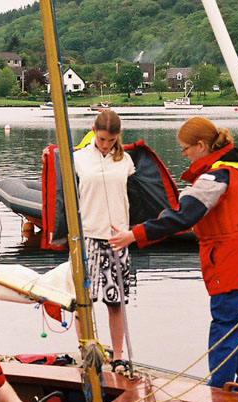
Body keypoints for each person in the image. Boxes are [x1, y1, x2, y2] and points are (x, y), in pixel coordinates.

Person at [109, 117, 238, 395]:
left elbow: (182, 216)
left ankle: (217, 396)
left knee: (224, 334)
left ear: (201, 145)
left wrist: (134, 234)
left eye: (185, 149)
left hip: (234, 267)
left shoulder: (214, 178)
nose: (183, 154)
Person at [72, 109, 136, 373]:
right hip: (88, 236)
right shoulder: (78, 158)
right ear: (93, 132)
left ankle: (118, 356)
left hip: (117, 239)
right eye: (101, 139)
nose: (106, 144)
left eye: (111, 140)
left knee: (115, 301)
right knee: (82, 301)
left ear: (118, 136)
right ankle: (86, 352)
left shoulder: (126, 160)